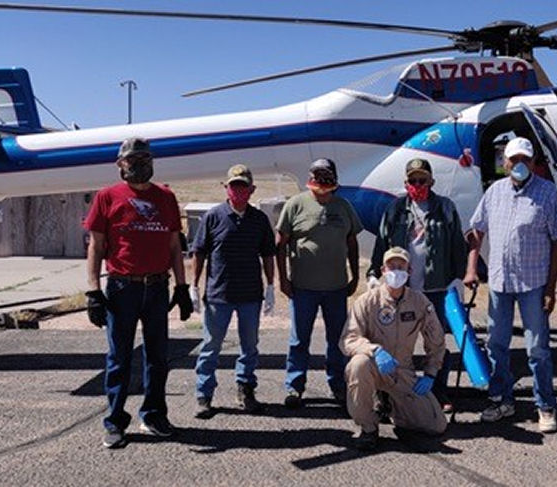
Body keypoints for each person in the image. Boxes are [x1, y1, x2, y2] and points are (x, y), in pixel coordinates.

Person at [83, 137, 192, 449]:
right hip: (122, 288)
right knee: (119, 358)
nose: (139, 164)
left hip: (157, 287)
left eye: (144, 158)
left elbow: (174, 245)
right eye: (132, 160)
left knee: (158, 357)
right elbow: (97, 245)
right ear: (120, 164)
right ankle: (115, 422)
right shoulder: (107, 197)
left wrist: (182, 287)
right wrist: (93, 290)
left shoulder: (166, 198)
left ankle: (154, 415)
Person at [464, 136, 557, 432]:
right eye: (514, 159)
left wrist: (550, 288)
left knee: (537, 348)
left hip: (533, 282)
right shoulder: (494, 191)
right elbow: (476, 232)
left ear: (533, 163)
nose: (519, 164)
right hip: (499, 281)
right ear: (504, 162)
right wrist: (472, 268)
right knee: (497, 343)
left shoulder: (547, 193)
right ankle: (501, 399)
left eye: (525, 159)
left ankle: (545, 405)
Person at [367, 158, 467, 411]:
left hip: (435, 288)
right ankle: (388, 393)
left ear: (431, 181)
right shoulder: (395, 209)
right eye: (413, 180)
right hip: (403, 288)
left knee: (436, 340)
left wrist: (458, 276)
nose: (418, 184)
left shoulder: (445, 207)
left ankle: (438, 391)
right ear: (406, 183)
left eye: (422, 180)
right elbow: (382, 241)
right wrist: (372, 273)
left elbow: (457, 243)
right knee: (394, 341)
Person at [191, 164, 276, 418]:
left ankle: (246, 389)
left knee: (249, 346)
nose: (238, 190)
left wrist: (272, 286)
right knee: (210, 347)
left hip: (250, 295)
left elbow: (268, 255)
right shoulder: (214, 216)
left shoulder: (259, 219)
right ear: (226, 188)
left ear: (252, 189)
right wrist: (194, 286)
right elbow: (199, 252)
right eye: (234, 186)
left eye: (243, 186)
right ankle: (204, 395)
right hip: (219, 295)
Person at [276, 158, 362, 407]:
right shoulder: (295, 204)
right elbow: (280, 245)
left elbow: (352, 244)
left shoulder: (343, 206)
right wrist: (283, 279)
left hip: (336, 287)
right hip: (303, 287)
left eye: (327, 178)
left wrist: (355, 275)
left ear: (334, 180)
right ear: (311, 178)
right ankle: (294, 386)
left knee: (337, 339)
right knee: (299, 339)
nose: (322, 183)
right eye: (318, 177)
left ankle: (337, 384)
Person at [341, 246, 447, 450]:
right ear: (383, 270)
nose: (396, 271)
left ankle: (391, 404)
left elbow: (436, 340)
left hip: (402, 370)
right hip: (374, 366)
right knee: (358, 364)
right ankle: (368, 427)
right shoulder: (367, 301)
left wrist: (431, 373)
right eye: (391, 266)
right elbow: (348, 338)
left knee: (436, 425)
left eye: (401, 267)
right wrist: (374, 350)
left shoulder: (419, 302)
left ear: (410, 271)